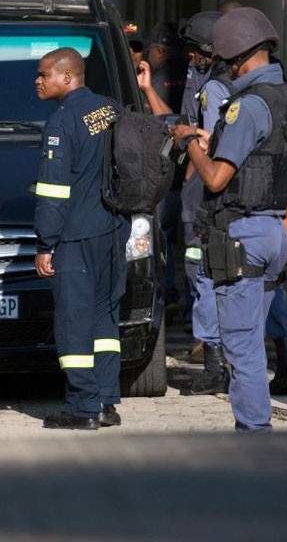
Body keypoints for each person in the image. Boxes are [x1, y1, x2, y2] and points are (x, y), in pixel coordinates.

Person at [173, 7, 287, 431]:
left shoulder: (245, 106)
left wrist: (190, 140)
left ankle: (254, 436)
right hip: (275, 233)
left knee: (243, 349)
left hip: (243, 236)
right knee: (254, 338)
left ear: (237, 58)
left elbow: (214, 178)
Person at [33, 47, 126, 430]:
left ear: (67, 77)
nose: (37, 81)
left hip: (76, 235)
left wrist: (45, 243)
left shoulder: (62, 121)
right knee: (105, 316)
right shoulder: (111, 109)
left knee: (73, 320)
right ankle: (105, 400)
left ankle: (82, 407)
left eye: (43, 75)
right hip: (114, 229)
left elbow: (53, 191)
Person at [172, 11, 232, 395]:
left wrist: (187, 134)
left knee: (202, 277)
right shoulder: (249, 83)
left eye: (195, 52)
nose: (191, 58)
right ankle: (286, 356)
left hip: (208, 199)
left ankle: (213, 365)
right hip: (239, 200)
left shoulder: (214, 89)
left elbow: (208, 142)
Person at [137, 22, 190, 314]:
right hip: (189, 174)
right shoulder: (190, 74)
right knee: (189, 243)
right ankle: (181, 302)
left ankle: (167, 294)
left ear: (158, 49)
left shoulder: (159, 78)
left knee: (162, 237)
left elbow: (168, 122)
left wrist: (145, 90)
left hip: (169, 173)